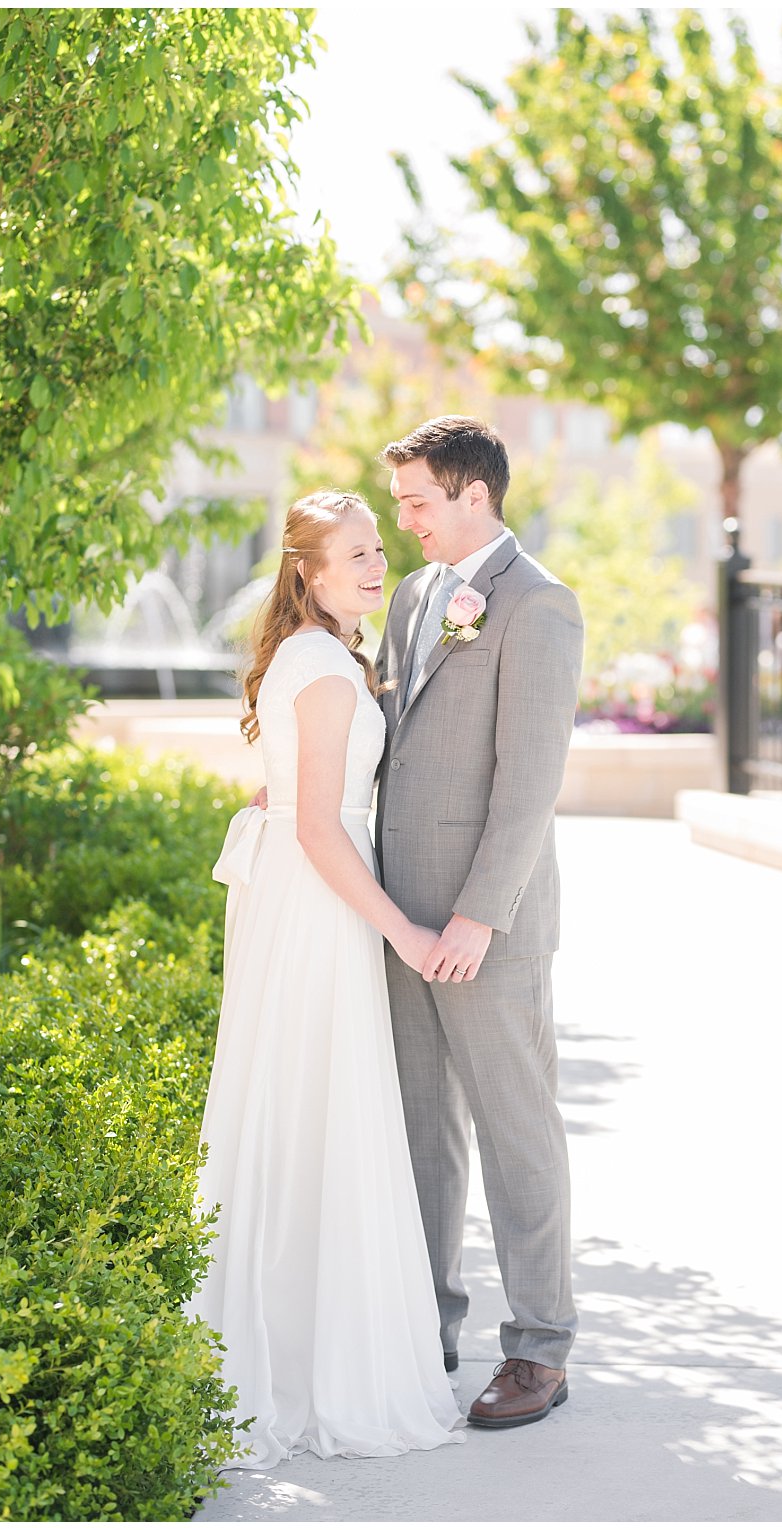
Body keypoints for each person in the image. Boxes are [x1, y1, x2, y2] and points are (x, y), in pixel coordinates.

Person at [191, 490, 462, 1465]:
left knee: (301, 1111)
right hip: (320, 905)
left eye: (377, 549)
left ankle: (295, 1343)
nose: (374, 564)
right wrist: (398, 927)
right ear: (306, 570)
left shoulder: (317, 657)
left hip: (303, 897)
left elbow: (295, 798)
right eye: (353, 553)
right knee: (320, 1111)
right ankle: (312, 1368)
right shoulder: (323, 669)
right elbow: (313, 825)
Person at [372, 416, 584, 1429]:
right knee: (422, 1131)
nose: (400, 520)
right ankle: (428, 1324)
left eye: (415, 500)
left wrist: (474, 917)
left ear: (471, 496)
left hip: (481, 924)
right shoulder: (414, 597)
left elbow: (528, 782)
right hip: (396, 912)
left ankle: (538, 1350)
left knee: (514, 1131)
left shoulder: (537, 606)